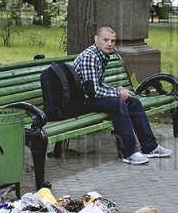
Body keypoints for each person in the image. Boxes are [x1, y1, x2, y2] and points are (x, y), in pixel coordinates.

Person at [72, 25, 172, 165]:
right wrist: (117, 93)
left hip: (91, 97)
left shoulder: (101, 54)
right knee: (118, 104)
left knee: (134, 102)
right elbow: (92, 91)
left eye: (112, 41)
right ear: (96, 39)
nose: (109, 44)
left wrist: (114, 89)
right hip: (81, 102)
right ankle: (129, 152)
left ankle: (150, 147)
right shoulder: (90, 57)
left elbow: (97, 84)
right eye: (105, 40)